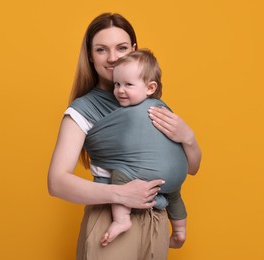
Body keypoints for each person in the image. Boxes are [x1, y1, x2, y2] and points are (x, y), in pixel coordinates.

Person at [48, 13, 201, 260]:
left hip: (157, 222)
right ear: (90, 55)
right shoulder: (82, 110)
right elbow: (56, 183)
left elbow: (190, 168)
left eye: (121, 48)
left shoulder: (152, 103)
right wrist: (119, 194)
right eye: (101, 49)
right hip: (111, 221)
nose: (112, 58)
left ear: (133, 49)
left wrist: (189, 138)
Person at [89, 49, 189, 247]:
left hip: (148, 174)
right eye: (117, 84)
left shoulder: (129, 113)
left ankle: (121, 219)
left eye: (128, 85)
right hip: (177, 174)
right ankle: (179, 231)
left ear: (150, 88)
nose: (120, 90)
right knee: (175, 195)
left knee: (118, 176)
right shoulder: (162, 107)